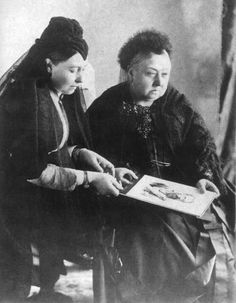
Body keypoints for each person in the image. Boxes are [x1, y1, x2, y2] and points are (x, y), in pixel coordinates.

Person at [88, 30, 235, 303]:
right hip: (125, 196)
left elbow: (201, 144)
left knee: (211, 219)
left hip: (178, 192)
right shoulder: (106, 107)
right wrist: (112, 171)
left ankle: (187, 292)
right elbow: (91, 153)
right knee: (153, 228)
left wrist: (203, 176)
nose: (159, 82)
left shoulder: (177, 103)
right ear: (131, 73)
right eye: (150, 73)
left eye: (165, 75)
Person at [0, 17, 123, 303]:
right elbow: (34, 168)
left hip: (28, 189)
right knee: (12, 278)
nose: (80, 79)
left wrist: (81, 153)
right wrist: (91, 179)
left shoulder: (54, 94)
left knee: (53, 227)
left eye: (81, 69)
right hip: (8, 197)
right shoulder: (30, 101)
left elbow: (51, 148)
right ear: (48, 66)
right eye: (72, 70)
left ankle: (45, 290)